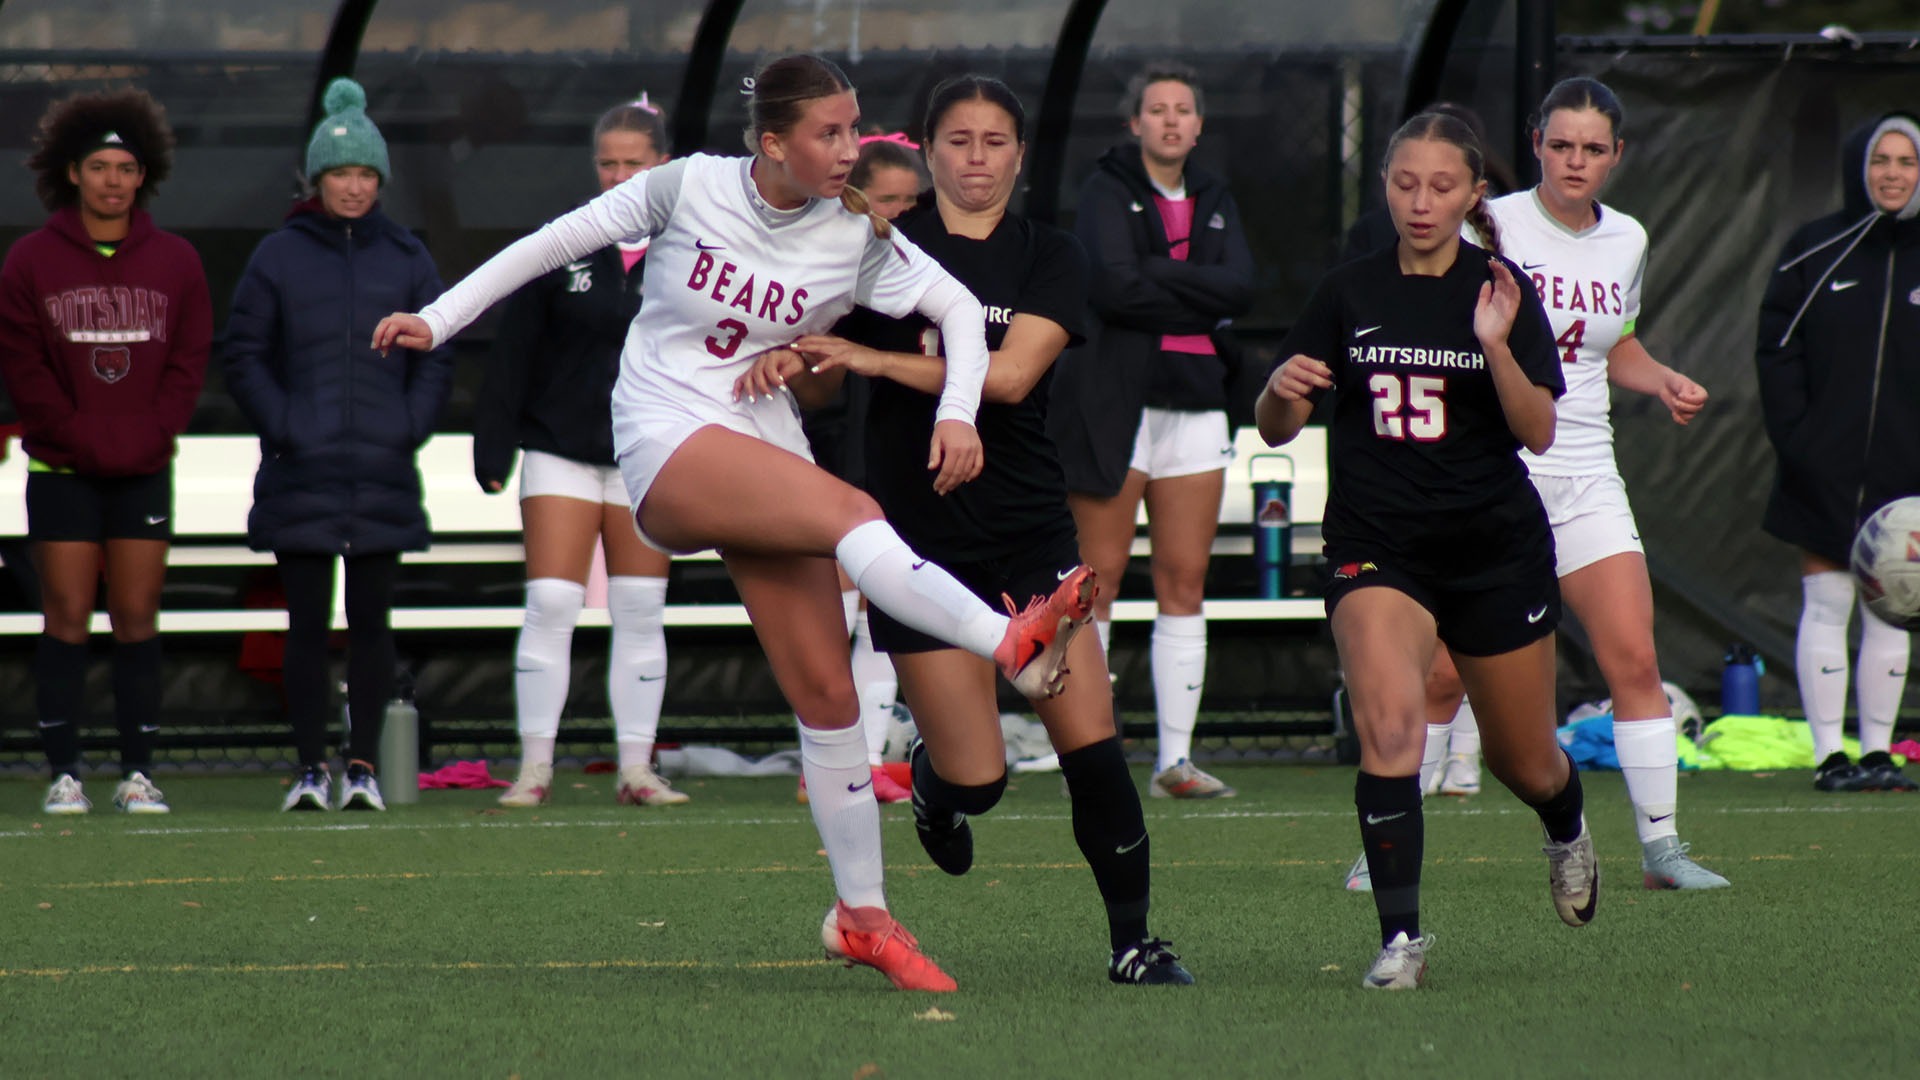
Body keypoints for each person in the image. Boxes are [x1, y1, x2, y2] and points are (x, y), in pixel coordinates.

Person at [370, 53, 1096, 993]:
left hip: (759, 434)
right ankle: (1010, 643)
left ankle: (861, 917)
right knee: (855, 512)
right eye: (828, 134)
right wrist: (438, 317)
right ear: (773, 144)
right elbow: (552, 243)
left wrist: (958, 409)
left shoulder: (857, 233)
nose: (849, 148)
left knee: (829, 697)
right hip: (665, 430)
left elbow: (958, 309)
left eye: (854, 127)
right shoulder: (689, 187)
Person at [765, 75, 1192, 986]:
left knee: (1092, 745)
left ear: (1020, 154)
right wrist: (794, 357)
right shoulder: (877, 245)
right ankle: (934, 786)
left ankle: (1134, 943)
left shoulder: (1051, 256)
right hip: (916, 548)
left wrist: (872, 356)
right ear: (927, 151)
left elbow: (1003, 379)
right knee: (980, 780)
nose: (976, 159)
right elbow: (819, 371)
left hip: (1029, 535)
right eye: (957, 141)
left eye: (995, 142)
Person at [1351, 78, 1730, 893]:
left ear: (1618, 156)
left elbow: (1607, 345)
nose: (1576, 161)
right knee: (1446, 673)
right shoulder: (1495, 221)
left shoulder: (1627, 237)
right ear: (1535, 144)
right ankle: (1383, 839)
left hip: (1588, 474)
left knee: (1633, 655)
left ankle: (1662, 850)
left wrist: (1660, 378)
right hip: (1499, 471)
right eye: (1562, 145)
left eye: (1594, 149)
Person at [1257, 110, 1596, 990]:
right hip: (1378, 545)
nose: (1421, 200)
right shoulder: (1347, 291)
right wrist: (1280, 390)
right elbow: (1277, 422)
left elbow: (1540, 431)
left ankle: (1565, 824)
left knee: (1528, 762)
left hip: (1493, 546)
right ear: (1385, 186)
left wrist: (1494, 348)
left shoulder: (1500, 289)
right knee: (1393, 729)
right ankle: (1401, 939)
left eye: (1443, 185)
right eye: (1405, 182)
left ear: (1475, 193)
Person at [224, 78, 456, 812]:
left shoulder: (409, 256)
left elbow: (437, 350)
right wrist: (287, 426)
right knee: (304, 625)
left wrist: (407, 426)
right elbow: (244, 355)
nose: (353, 188)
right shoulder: (277, 256)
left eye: (364, 175)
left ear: (380, 180)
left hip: (382, 471)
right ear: (316, 179)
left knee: (371, 627)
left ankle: (361, 767)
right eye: (340, 174)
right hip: (303, 470)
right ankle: (306, 768)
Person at [475, 95, 690, 810]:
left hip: (644, 452)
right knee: (552, 602)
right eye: (609, 163)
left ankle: (637, 771)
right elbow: (514, 350)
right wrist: (493, 441)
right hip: (559, 450)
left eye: (635, 163)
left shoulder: (690, 247)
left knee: (638, 608)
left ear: (663, 165)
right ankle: (534, 769)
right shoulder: (565, 239)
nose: (621, 175)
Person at [0, 88, 211, 815]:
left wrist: (151, 437)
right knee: (64, 614)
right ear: (71, 172)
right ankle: (64, 772)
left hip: (145, 470)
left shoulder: (177, 261)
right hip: (63, 470)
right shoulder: (29, 261)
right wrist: (80, 439)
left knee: (136, 614)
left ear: (142, 174)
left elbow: (189, 362)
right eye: (99, 166)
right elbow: (24, 370)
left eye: (125, 166)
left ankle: (138, 772)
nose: (113, 180)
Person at [1048, 61, 1255, 800]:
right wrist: (1198, 295)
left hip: (1196, 402)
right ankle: (1088, 748)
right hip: (1116, 404)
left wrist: (1159, 282)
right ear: (1134, 123)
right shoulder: (1106, 189)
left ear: (1198, 125)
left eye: (1184, 110)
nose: (1171, 121)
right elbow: (1109, 285)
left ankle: (1176, 760)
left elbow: (1243, 286)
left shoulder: (1218, 194)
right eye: (1157, 110)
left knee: (1183, 580)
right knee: (1093, 581)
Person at [1757, 110, 1920, 794]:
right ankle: (1831, 755)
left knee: (1895, 604)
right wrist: (1799, 441)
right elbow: (1776, 347)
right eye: (1881, 161)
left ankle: (1879, 752)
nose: (1893, 174)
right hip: (1821, 470)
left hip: (1906, 476)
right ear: (1861, 167)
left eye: (1906, 161)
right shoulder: (1814, 248)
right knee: (1828, 604)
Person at [794, 133, 931, 807]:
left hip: (897, 440)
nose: (900, 215)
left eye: (911, 202)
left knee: (883, 602)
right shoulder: (830, 257)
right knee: (839, 600)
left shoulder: (915, 263)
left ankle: (867, 756)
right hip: (837, 442)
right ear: (855, 199)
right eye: (888, 201)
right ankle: (822, 757)